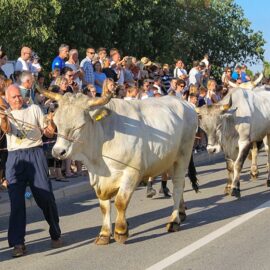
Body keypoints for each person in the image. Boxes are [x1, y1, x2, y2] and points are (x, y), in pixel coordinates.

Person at [1, 84, 62, 257]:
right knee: (16, 202)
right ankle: (18, 243)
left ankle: (55, 232)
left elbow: (48, 134)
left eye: (19, 96)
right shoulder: (6, 114)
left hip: (35, 153)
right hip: (15, 158)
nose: (18, 99)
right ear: (7, 98)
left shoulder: (34, 109)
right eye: (13, 97)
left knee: (45, 197)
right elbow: (6, 129)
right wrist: (4, 118)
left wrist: (51, 124)